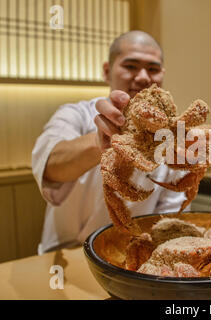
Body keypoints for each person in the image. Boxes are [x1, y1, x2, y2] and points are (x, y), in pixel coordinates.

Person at [32, 31, 186, 254]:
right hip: (66, 253)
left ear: (162, 74)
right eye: (131, 66)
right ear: (107, 71)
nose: (143, 77)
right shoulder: (76, 114)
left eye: (152, 69)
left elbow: (168, 220)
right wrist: (101, 140)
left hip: (133, 257)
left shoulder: (170, 137)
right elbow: (49, 166)